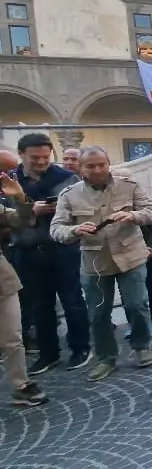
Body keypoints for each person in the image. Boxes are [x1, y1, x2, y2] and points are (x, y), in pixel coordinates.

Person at [49, 147, 152, 382]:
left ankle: (142, 346)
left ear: (109, 163)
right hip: (95, 263)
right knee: (98, 314)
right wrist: (74, 230)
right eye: (90, 166)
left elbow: (151, 211)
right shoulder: (69, 195)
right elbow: (56, 229)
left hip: (130, 256)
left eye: (101, 164)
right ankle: (106, 358)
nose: (97, 169)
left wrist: (133, 216)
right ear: (80, 167)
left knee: (136, 305)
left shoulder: (129, 186)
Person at [9, 133, 91, 376]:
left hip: (63, 249)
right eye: (36, 157)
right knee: (39, 306)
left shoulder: (66, 178)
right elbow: (5, 213)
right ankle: (48, 354)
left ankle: (81, 349)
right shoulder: (9, 180)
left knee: (73, 301)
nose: (42, 162)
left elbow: (85, 209)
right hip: (27, 251)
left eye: (46, 157)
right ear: (21, 155)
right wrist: (29, 210)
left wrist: (62, 210)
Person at [0, 172, 48, 406]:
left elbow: (23, 221)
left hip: (2, 280)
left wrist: (19, 198)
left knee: (12, 337)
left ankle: (21, 385)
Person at [110, 167, 152, 340]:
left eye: (126, 179)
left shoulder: (140, 199)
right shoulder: (110, 203)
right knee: (128, 291)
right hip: (124, 254)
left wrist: (151, 247)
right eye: (118, 179)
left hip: (148, 252)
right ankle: (135, 324)